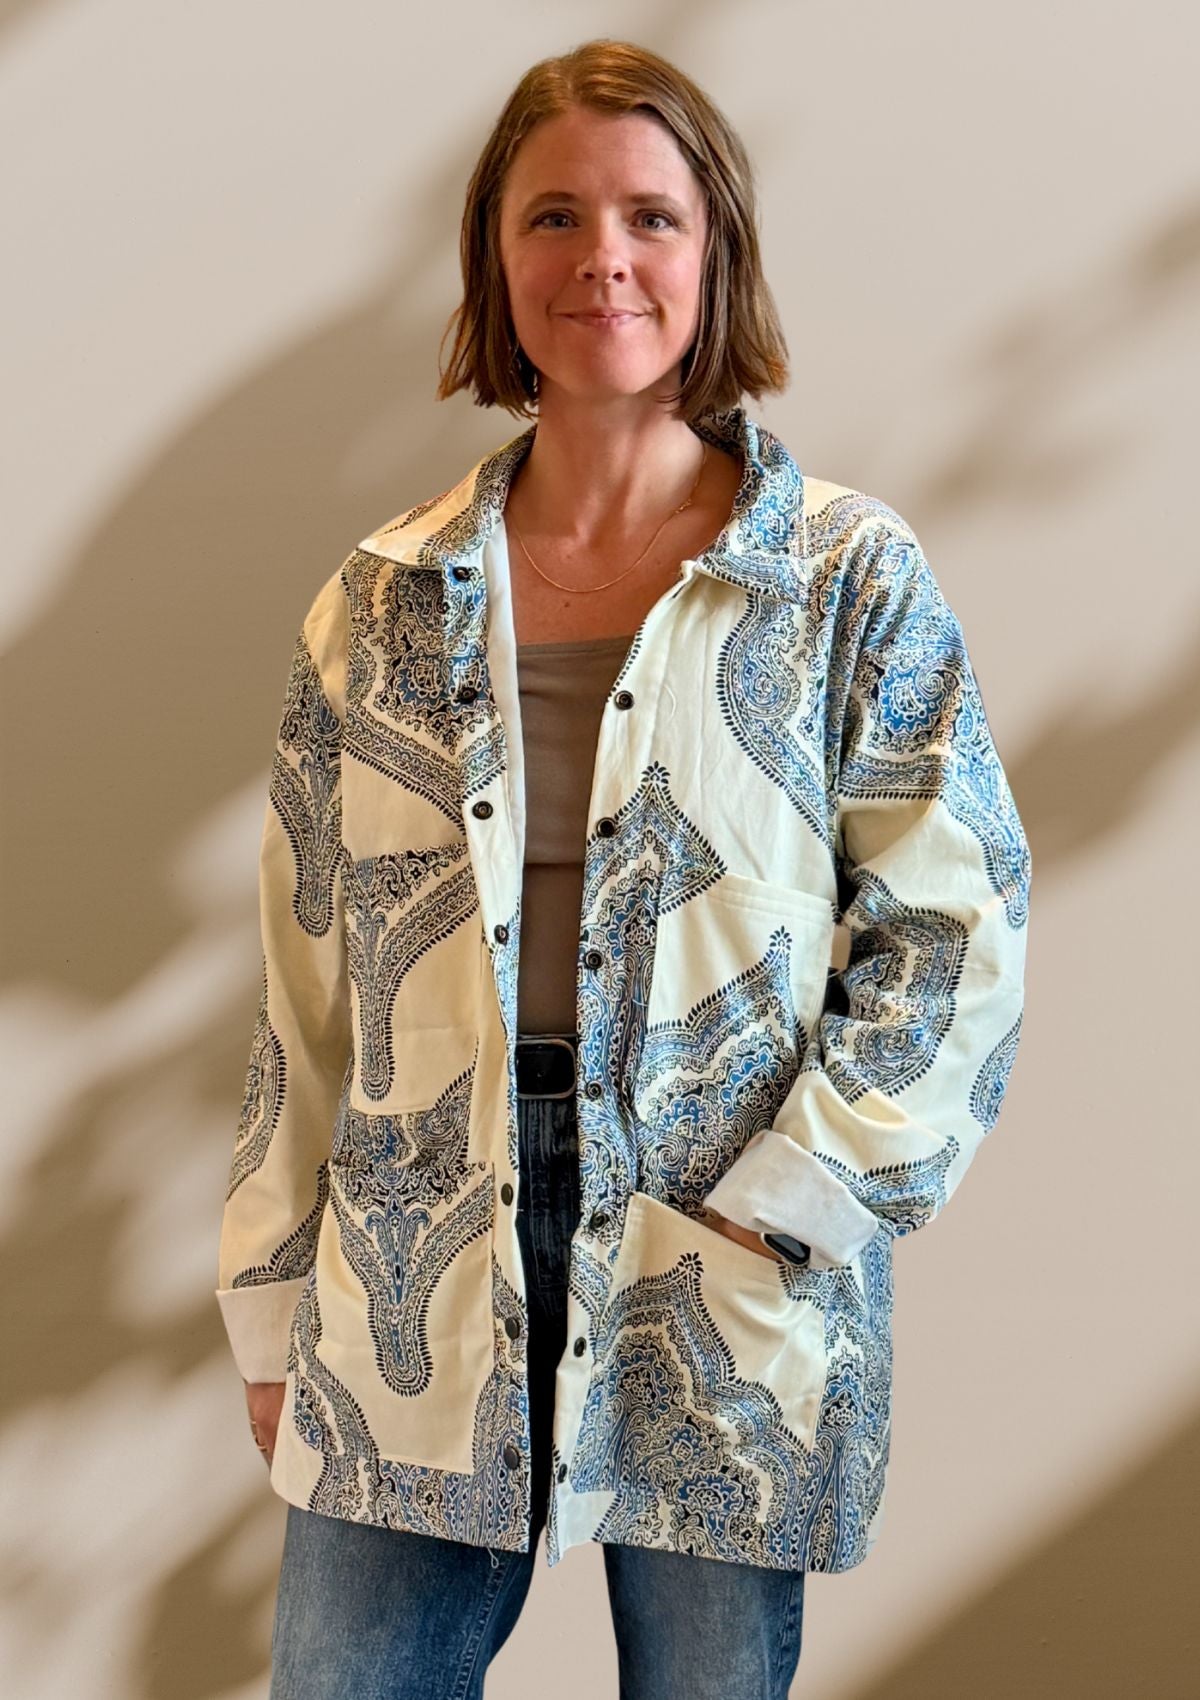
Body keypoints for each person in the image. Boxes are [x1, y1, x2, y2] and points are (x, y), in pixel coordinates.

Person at [214, 36, 1031, 1700]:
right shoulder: (379, 601)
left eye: (651, 217)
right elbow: (312, 981)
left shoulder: (840, 581)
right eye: (555, 217)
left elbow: (957, 927)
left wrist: (789, 1207)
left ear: (714, 249)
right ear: (493, 259)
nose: (604, 260)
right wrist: (269, 1292)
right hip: (415, 1243)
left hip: (719, 1235)